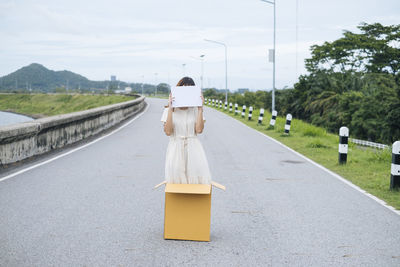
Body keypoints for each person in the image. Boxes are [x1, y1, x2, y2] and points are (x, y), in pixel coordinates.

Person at [160, 77, 212, 184]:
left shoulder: (195, 110)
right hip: (175, 148)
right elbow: (168, 132)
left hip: (194, 148)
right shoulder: (168, 110)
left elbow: (199, 130)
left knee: (196, 181)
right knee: (176, 181)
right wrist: (170, 108)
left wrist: (200, 108)